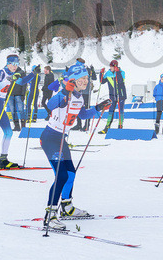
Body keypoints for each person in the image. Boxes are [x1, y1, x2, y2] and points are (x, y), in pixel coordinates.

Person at [39, 63, 110, 230]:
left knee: (70, 174)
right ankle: (50, 215)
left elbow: (83, 114)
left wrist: (98, 108)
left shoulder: (79, 97)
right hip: (50, 138)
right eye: (82, 79)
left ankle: (67, 207)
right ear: (73, 80)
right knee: (61, 176)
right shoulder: (63, 94)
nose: (85, 81)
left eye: (86, 78)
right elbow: (49, 106)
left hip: (62, 139)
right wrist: (64, 91)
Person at [0, 54, 35, 173]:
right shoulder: (1, 72)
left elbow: (22, 82)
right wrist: (9, 80)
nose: (15, 66)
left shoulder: (12, 75)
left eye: (17, 64)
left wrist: (33, 74)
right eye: (13, 64)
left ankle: (3, 160)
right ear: (8, 63)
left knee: (8, 132)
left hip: (0, 107)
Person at [99, 59, 127, 134]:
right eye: (110, 66)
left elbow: (121, 81)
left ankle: (120, 126)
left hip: (121, 95)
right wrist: (101, 73)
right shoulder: (108, 73)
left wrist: (117, 72)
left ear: (115, 67)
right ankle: (107, 127)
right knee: (111, 111)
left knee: (121, 111)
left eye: (112, 66)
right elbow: (102, 81)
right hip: (112, 96)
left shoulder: (122, 72)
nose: (110, 68)